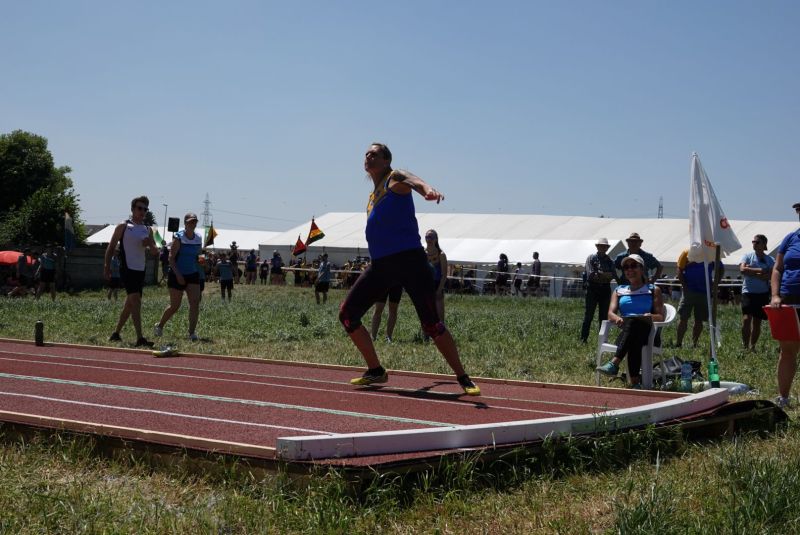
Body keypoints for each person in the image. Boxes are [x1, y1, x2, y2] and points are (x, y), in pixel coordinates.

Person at [340, 142, 479, 395]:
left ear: (386, 160)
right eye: (366, 154)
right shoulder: (372, 196)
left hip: (410, 262)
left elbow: (414, 181)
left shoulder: (394, 178)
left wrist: (428, 190)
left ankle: (463, 377)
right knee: (348, 315)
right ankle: (375, 370)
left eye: (374, 154)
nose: (368, 156)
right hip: (381, 266)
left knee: (431, 325)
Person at [596, 254, 665, 387]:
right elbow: (610, 313)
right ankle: (635, 382)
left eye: (633, 266)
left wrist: (649, 316)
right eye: (626, 267)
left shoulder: (653, 290)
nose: (629, 269)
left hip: (649, 335)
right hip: (626, 335)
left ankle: (614, 363)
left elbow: (660, 317)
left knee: (635, 322)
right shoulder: (619, 290)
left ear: (642, 269)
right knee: (634, 329)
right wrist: (617, 318)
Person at [105, 195, 158, 346]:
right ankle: (140, 338)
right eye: (140, 208)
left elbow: (155, 252)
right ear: (133, 209)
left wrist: (150, 244)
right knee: (136, 301)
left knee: (130, 304)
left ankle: (116, 333)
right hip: (127, 268)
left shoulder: (148, 229)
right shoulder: (123, 226)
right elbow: (111, 247)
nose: (142, 211)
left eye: (145, 209)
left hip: (140, 269)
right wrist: (106, 266)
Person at [154, 213, 203, 342]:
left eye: (194, 222)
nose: (193, 224)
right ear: (185, 223)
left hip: (192, 273)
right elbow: (171, 259)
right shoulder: (178, 237)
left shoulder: (198, 237)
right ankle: (160, 325)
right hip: (177, 273)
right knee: (175, 306)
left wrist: (202, 260)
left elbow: (198, 255)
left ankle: (191, 333)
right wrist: (179, 275)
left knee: (195, 303)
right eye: (190, 222)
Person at [770, 201, 800, 408]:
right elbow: (778, 268)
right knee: (787, 350)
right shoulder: (790, 238)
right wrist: (775, 295)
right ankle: (783, 398)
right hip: (788, 300)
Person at [675, 249, 723, 348]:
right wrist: (684, 286)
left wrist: (716, 283)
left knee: (699, 320)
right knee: (683, 318)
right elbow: (679, 269)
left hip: (704, 292)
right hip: (689, 292)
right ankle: (678, 343)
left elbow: (721, 268)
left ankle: (694, 344)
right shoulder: (686, 252)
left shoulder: (710, 252)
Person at [739, 234, 775, 351]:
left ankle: (752, 347)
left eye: (757, 242)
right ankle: (745, 347)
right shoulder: (747, 256)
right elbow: (742, 269)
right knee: (746, 319)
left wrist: (751, 271)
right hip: (748, 292)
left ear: (764, 244)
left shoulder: (770, 260)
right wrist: (761, 271)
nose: (754, 244)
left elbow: (770, 275)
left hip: (762, 293)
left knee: (757, 322)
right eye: (753, 242)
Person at [580, 238, 616, 343]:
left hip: (605, 289)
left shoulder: (610, 260)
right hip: (592, 288)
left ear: (607, 248)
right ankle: (583, 339)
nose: (603, 247)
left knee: (604, 317)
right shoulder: (591, 258)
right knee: (588, 315)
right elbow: (591, 275)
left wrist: (600, 274)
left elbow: (612, 276)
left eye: (605, 246)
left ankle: (602, 341)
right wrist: (605, 275)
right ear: (597, 247)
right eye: (601, 246)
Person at [425, 229, 448, 319]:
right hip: (426, 285)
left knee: (440, 316)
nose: (429, 239)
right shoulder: (423, 254)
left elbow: (444, 274)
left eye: (431, 237)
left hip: (437, 285)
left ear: (436, 239)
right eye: (427, 237)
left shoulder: (441, 254)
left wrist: (439, 290)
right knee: (427, 315)